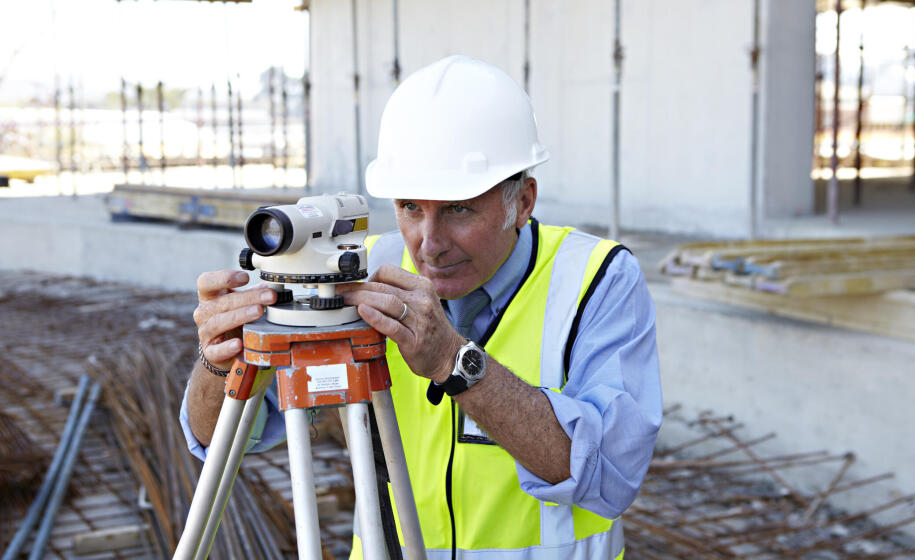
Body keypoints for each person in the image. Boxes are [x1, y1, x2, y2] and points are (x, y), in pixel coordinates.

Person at [181, 55, 661, 559]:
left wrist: (456, 364)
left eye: (458, 209)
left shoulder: (597, 280)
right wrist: (219, 361)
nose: (428, 244)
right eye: (411, 207)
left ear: (522, 201)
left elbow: (610, 472)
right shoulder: (356, 274)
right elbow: (220, 438)